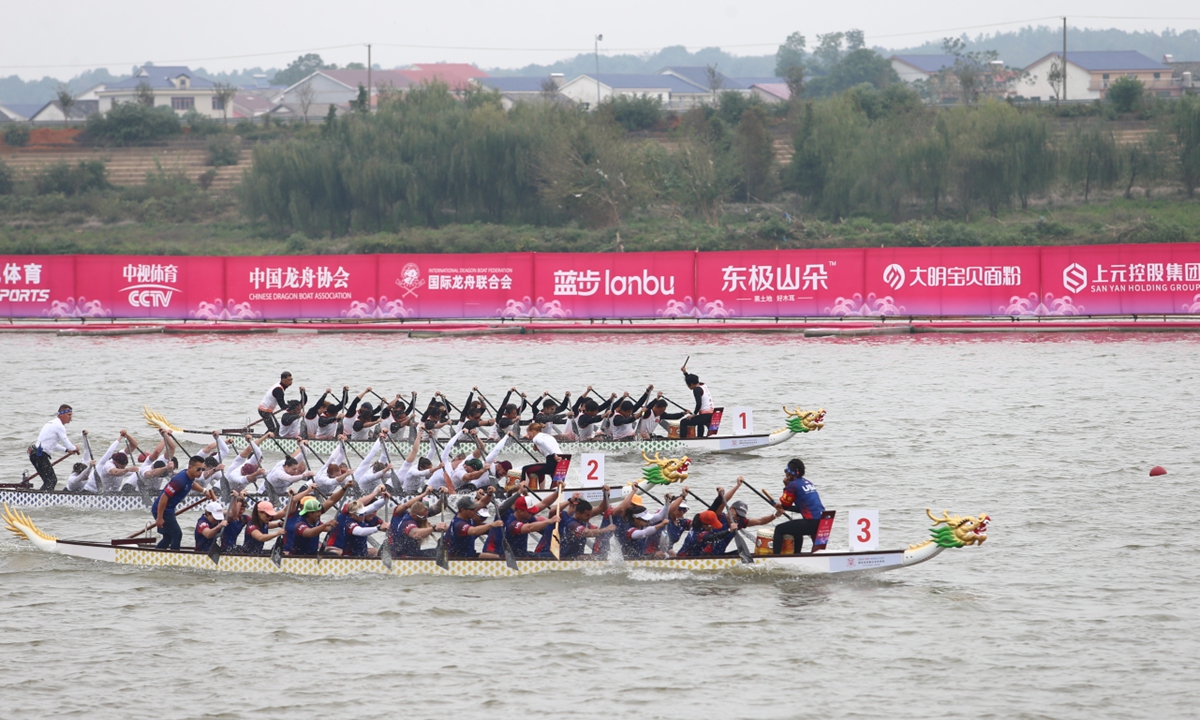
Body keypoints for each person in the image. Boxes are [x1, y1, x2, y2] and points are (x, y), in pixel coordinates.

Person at [153, 453, 216, 551]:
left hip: (168, 509)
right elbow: (163, 497)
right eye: (198, 469)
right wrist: (159, 517)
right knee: (177, 534)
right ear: (190, 467)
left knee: (168, 537)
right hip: (162, 509)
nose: (200, 472)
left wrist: (204, 491)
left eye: (203, 469)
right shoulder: (179, 480)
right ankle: (175, 558)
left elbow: (191, 484)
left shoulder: (190, 476)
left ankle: (156, 555)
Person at [772, 458, 826, 554]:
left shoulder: (792, 485)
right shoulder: (808, 483)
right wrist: (785, 508)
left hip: (812, 522)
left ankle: (776, 557)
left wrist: (786, 487)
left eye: (785, 471)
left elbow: (785, 505)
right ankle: (797, 555)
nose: (785, 474)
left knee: (779, 529)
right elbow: (803, 508)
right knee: (797, 530)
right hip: (824, 520)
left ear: (790, 473)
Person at [29, 404, 79, 491]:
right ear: (61, 414)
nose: (71, 417)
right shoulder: (59, 426)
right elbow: (68, 444)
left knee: (49, 480)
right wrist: (74, 448)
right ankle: (42, 500)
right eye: (69, 415)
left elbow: (52, 444)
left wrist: (66, 450)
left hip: (36, 455)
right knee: (51, 480)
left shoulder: (52, 423)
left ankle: (40, 498)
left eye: (71, 415)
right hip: (39, 456)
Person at [502, 490, 561, 558]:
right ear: (520, 511)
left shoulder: (525, 516)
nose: (531, 514)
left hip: (523, 554)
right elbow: (529, 528)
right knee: (552, 556)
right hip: (514, 558)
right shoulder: (512, 524)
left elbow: (544, 503)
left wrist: (558, 491)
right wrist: (549, 521)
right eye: (530, 512)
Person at [389, 490, 446, 558]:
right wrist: (433, 528)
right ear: (414, 516)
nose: (425, 518)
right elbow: (415, 533)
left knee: (441, 551)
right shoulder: (407, 522)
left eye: (426, 516)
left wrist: (443, 495)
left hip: (413, 553)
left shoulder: (419, 515)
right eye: (424, 517)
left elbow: (439, 508)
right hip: (401, 556)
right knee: (438, 554)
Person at [678, 365, 715, 438]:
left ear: (691, 384)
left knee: (683, 422)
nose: (688, 387)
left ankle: (683, 441)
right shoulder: (703, 385)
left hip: (706, 416)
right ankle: (699, 438)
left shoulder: (696, 390)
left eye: (688, 385)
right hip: (712, 415)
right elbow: (691, 379)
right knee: (699, 420)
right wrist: (685, 373)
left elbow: (699, 404)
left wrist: (694, 414)